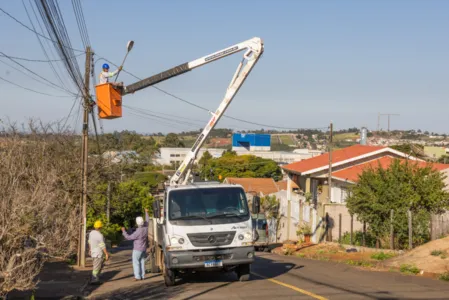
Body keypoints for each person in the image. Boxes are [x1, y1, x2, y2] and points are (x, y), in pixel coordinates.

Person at [122, 209, 149, 281]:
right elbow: (147, 220)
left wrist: (124, 231)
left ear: (137, 223)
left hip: (137, 249)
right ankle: (143, 276)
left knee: (136, 262)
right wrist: (146, 212)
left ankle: (137, 276)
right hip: (144, 248)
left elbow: (128, 237)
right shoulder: (146, 228)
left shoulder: (138, 232)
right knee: (142, 262)